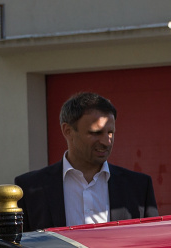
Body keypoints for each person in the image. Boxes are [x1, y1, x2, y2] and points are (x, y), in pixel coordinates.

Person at [14, 92, 159, 231]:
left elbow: (152, 245)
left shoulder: (139, 187)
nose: (106, 142)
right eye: (95, 133)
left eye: (110, 132)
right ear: (67, 131)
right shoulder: (29, 188)